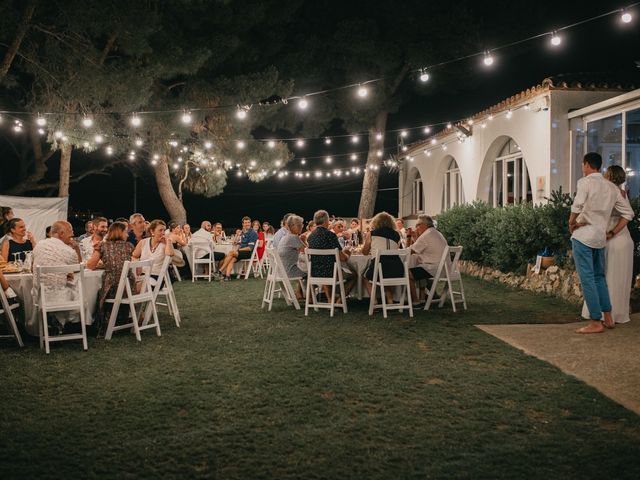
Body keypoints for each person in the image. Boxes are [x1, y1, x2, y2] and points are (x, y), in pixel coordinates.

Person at [571, 153, 634, 334]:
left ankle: (595, 322)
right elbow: (628, 213)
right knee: (599, 277)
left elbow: (577, 205)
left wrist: (571, 223)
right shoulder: (611, 189)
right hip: (601, 238)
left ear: (587, 165)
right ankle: (608, 316)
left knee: (588, 279)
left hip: (584, 236)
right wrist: (611, 232)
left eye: (583, 164)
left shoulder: (585, 183)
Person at [86, 221, 135, 337]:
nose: (127, 235)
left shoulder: (102, 246)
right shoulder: (129, 246)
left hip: (112, 288)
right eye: (126, 232)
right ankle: (121, 321)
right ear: (120, 232)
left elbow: (90, 266)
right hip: (128, 289)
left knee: (95, 292)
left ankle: (99, 324)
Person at [32, 221, 82, 333]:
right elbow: (77, 268)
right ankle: (67, 325)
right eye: (71, 232)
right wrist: (77, 249)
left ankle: (51, 323)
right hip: (62, 297)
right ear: (61, 233)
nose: (72, 235)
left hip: (40, 296)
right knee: (76, 285)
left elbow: (33, 268)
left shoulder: (39, 245)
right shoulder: (69, 251)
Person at [307, 209, 356, 301]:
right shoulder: (330, 235)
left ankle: (331, 299)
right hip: (330, 272)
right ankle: (339, 301)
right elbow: (342, 258)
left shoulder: (310, 236)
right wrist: (348, 253)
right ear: (326, 221)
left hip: (314, 272)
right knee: (354, 275)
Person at [362, 212, 404, 304]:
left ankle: (374, 302)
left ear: (376, 222)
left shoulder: (372, 233)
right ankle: (390, 300)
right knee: (384, 275)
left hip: (380, 268)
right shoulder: (397, 235)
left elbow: (364, 252)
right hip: (397, 269)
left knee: (365, 277)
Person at [406, 214, 448, 305]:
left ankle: (415, 301)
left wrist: (409, 237)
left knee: (407, 273)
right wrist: (416, 238)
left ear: (423, 225)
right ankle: (421, 297)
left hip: (434, 269)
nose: (416, 228)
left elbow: (409, 251)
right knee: (419, 265)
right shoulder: (436, 233)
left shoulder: (426, 235)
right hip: (446, 268)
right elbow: (421, 247)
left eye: (417, 225)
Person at [276, 214, 307, 300]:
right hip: (289, 272)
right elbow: (307, 251)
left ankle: (299, 293)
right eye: (300, 224)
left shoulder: (285, 237)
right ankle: (311, 297)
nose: (302, 226)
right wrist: (304, 241)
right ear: (293, 226)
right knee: (311, 272)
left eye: (302, 224)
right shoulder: (293, 237)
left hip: (280, 271)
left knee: (304, 269)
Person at [218, 216, 258, 281]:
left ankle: (220, 271)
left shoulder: (253, 233)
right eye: (245, 223)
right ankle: (228, 276)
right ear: (243, 224)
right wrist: (237, 240)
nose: (247, 224)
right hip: (241, 252)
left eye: (248, 222)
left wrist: (238, 250)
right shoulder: (243, 232)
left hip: (247, 253)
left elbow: (249, 248)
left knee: (231, 252)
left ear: (250, 223)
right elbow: (240, 242)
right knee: (231, 258)